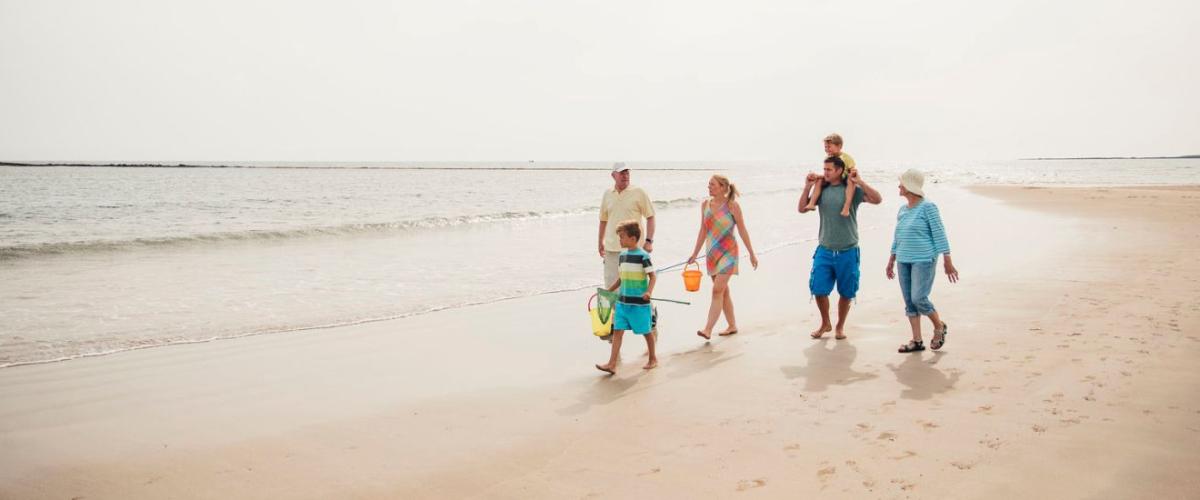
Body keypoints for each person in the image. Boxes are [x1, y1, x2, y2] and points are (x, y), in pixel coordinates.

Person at [798, 156, 884, 339]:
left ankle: (839, 326)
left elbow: (877, 199)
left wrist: (859, 181)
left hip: (848, 250)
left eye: (829, 169)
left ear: (839, 170)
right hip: (824, 249)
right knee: (818, 290)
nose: (825, 172)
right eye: (824, 169)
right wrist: (807, 187)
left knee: (846, 292)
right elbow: (801, 209)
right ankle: (825, 323)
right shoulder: (821, 189)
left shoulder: (851, 191)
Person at [886, 169, 959, 353]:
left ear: (909, 186)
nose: (899, 186)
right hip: (903, 259)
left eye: (901, 183)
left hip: (924, 259)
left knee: (919, 298)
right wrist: (891, 259)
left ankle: (939, 326)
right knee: (910, 302)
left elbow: (939, 233)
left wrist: (947, 260)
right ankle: (917, 341)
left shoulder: (928, 207)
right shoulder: (902, 210)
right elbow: (898, 236)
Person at [687, 174, 759, 340]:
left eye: (712, 184)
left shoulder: (732, 206)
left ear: (722, 188)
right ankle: (732, 325)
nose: (709, 187)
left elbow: (742, 230)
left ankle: (707, 329)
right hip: (712, 253)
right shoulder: (705, 205)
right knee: (723, 291)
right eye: (708, 184)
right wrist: (695, 254)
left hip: (729, 253)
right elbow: (703, 230)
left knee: (717, 290)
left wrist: (752, 254)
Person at [598, 162, 657, 340]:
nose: (625, 175)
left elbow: (650, 216)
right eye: (621, 173)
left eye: (627, 172)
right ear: (613, 175)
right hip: (611, 250)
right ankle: (616, 331)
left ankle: (651, 320)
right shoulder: (607, 194)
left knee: (637, 291)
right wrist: (599, 242)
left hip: (634, 252)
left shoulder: (639, 192)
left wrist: (648, 241)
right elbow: (603, 220)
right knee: (612, 291)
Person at [596, 221, 658, 373]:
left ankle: (653, 358)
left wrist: (648, 292)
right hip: (622, 303)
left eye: (622, 237)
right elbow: (621, 278)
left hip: (639, 304)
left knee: (646, 331)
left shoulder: (643, 256)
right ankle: (612, 364)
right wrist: (609, 291)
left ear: (632, 238)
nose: (620, 240)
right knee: (617, 331)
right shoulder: (622, 256)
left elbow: (653, 276)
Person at [802, 133, 858, 217]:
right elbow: (828, 174)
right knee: (819, 180)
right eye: (825, 147)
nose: (827, 149)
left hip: (844, 178)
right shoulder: (828, 158)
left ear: (839, 146)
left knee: (851, 182)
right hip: (833, 178)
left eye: (829, 147)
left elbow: (852, 170)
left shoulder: (846, 158)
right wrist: (817, 176)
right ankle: (812, 203)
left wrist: (853, 174)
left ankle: (846, 208)